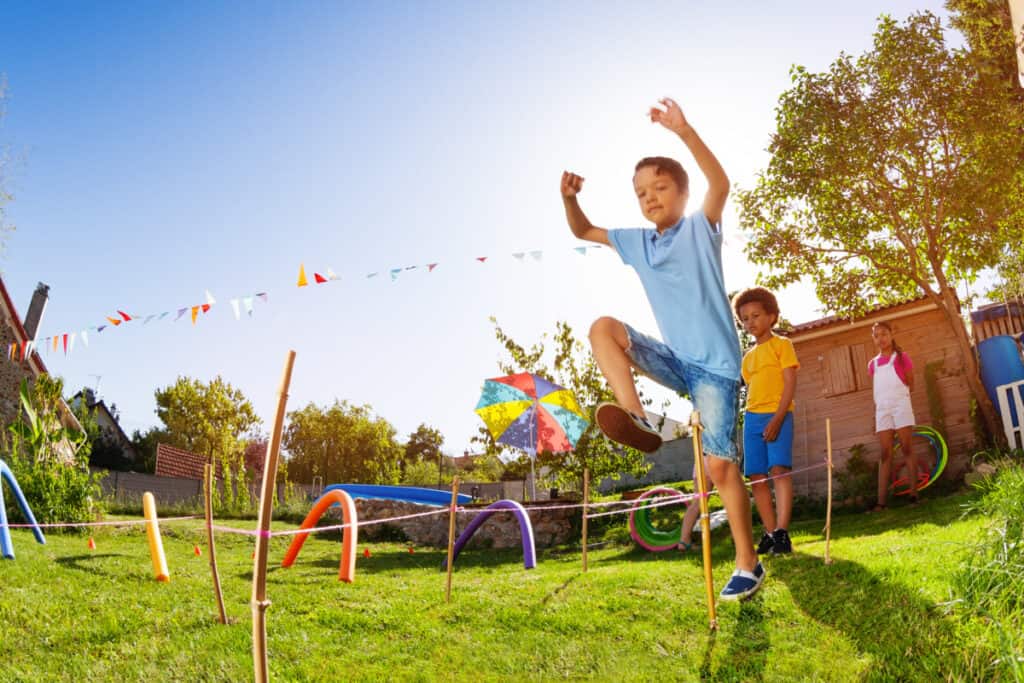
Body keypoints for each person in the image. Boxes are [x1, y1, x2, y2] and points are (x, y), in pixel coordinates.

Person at [560, 97, 763, 601]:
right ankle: (638, 417)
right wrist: (569, 198)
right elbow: (583, 230)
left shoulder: (700, 228)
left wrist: (685, 132)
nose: (649, 198)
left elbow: (721, 184)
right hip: (675, 362)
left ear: (681, 192)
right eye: (640, 193)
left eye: (659, 188)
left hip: (715, 368)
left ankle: (748, 563)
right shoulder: (638, 243)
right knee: (603, 327)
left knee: (719, 468)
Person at [733, 287, 799, 555]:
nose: (751, 322)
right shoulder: (747, 358)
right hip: (752, 418)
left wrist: (778, 419)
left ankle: (782, 531)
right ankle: (770, 533)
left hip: (779, 414)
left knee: (778, 470)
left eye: (756, 315)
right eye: (745, 318)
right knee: (757, 477)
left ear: (771, 316)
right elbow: (749, 389)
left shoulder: (782, 345)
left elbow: (790, 383)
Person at [868, 321, 917, 511]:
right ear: (874, 339)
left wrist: (901, 400)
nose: (881, 338)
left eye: (884, 334)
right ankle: (881, 502)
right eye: (876, 335)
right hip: (882, 409)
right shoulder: (872, 365)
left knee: (906, 448)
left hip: (901, 405)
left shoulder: (902, 358)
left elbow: (911, 382)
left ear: (891, 335)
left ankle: (913, 495)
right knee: (885, 453)